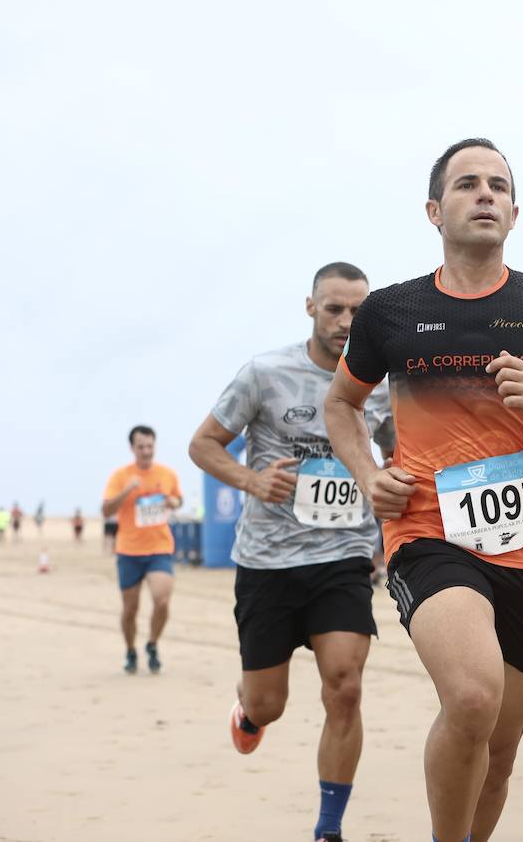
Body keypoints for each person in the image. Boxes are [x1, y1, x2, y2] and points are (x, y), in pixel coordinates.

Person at [325, 138, 523, 842]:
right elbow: (340, 405)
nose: (485, 193)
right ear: (436, 210)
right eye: (467, 184)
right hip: (428, 533)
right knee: (470, 698)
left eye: (498, 184)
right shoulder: (390, 312)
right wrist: (369, 476)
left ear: (516, 213)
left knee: (497, 755)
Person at [190, 261, 395, 842]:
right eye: (334, 308)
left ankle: (328, 828)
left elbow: (399, 450)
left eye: (358, 311)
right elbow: (203, 444)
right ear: (310, 308)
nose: (346, 321)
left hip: (344, 557)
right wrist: (252, 480)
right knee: (269, 703)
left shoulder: (380, 387)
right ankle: (248, 711)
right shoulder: (265, 373)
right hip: (268, 562)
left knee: (346, 683)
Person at [102, 425, 183, 674]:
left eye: (150, 446)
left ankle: (152, 644)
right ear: (132, 448)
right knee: (130, 610)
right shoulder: (120, 476)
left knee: (162, 600)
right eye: (141, 447)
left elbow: (178, 499)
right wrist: (128, 489)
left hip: (159, 547)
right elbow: (106, 510)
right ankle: (130, 650)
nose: (146, 451)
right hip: (128, 551)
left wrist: (173, 501)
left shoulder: (167, 474)